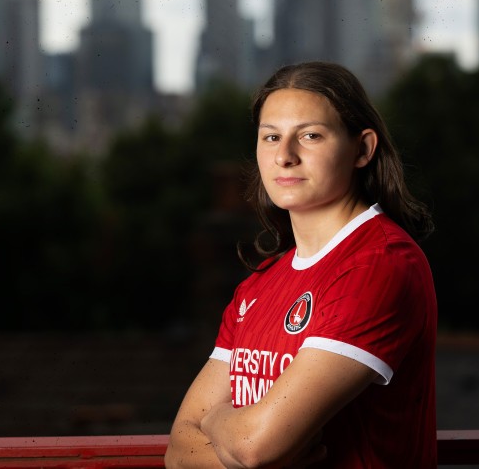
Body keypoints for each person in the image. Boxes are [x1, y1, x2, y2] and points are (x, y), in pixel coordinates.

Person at [165, 61, 437, 468]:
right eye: (271, 137)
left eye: (310, 135)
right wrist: (241, 446)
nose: (285, 156)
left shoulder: (379, 266)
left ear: (362, 149)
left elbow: (254, 447)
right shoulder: (260, 284)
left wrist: (219, 420)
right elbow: (178, 451)